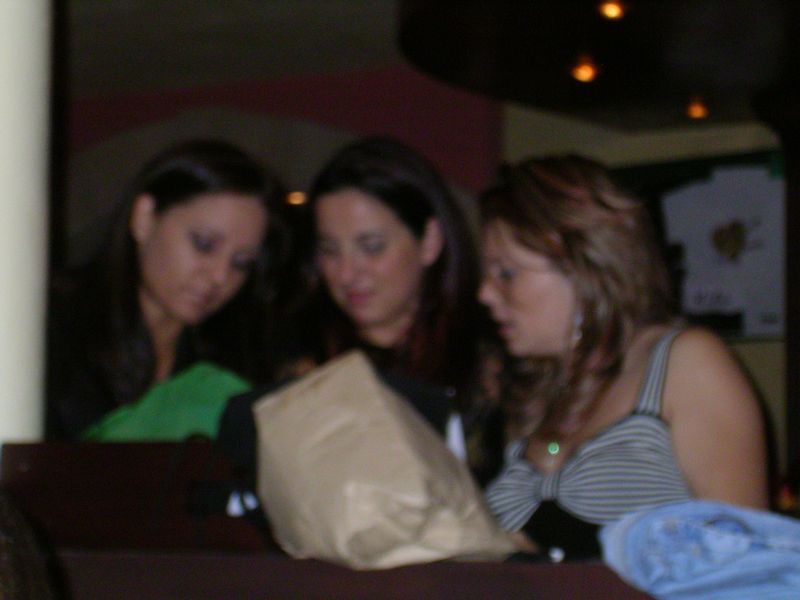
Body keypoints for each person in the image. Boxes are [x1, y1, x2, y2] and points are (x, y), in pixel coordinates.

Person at [478, 155, 769, 561]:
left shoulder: (685, 363)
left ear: (583, 267)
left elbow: (745, 560)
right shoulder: (537, 393)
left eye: (506, 273)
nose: (485, 293)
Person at [46, 139, 290, 440]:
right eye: (204, 244)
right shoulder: (49, 331)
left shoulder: (231, 362)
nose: (219, 276)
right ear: (144, 218)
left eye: (241, 263)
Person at [292, 136, 501, 473]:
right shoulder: (302, 364)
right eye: (330, 251)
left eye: (372, 247)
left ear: (429, 241)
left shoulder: (490, 364)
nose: (347, 273)